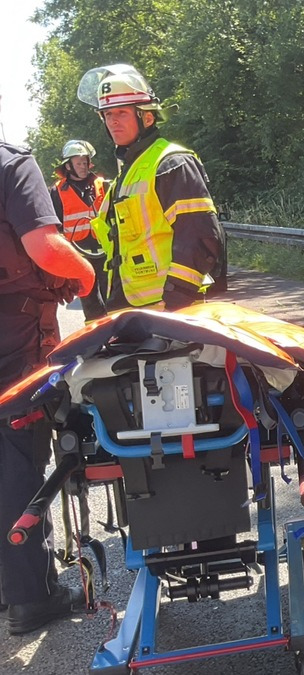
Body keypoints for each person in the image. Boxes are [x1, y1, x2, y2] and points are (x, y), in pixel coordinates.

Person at [0, 142, 96, 634]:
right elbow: (43, 247)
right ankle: (30, 595)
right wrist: (85, 272)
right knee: (16, 453)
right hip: (11, 338)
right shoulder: (10, 163)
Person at [77, 64, 223, 312]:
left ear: (147, 117)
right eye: (107, 115)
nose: (113, 122)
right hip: (131, 307)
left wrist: (176, 299)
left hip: (170, 310)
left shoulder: (171, 163)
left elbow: (200, 237)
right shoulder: (128, 173)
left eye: (121, 113)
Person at [48, 140, 107, 320]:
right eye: (78, 163)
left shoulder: (102, 185)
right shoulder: (57, 192)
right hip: (78, 253)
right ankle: (95, 341)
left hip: (105, 249)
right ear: (68, 165)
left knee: (112, 297)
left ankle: (118, 339)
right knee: (90, 301)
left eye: (85, 162)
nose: (83, 166)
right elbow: (54, 226)